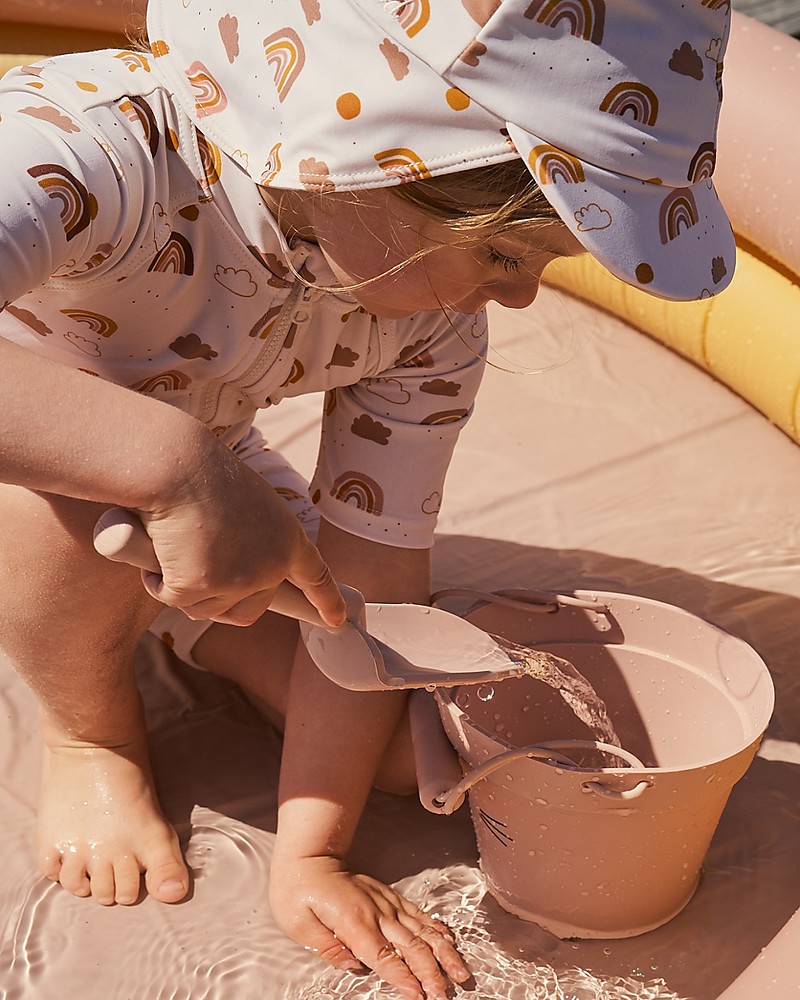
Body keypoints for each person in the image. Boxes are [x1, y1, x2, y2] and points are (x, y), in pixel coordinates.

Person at [0, 1, 734, 997]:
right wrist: (166, 463)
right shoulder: (84, 157)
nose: (516, 300)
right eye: (506, 254)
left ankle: (177, 612)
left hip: (190, 470)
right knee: (73, 517)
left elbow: (375, 574)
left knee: (391, 747)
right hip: (39, 464)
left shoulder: (427, 324)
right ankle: (87, 726)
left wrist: (313, 852)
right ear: (368, 158)